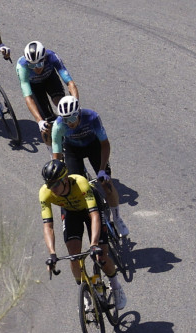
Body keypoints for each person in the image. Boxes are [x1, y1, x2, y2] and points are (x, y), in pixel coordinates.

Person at [40, 159, 127, 311]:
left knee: (101, 256)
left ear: (65, 179)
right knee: (74, 256)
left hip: (90, 209)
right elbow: (48, 226)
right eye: (49, 185)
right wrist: (52, 253)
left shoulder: (80, 183)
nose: (51, 189)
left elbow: (94, 216)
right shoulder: (44, 193)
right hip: (70, 213)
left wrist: (93, 244)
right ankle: (85, 293)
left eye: (55, 184)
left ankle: (116, 286)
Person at [51, 96, 129, 236]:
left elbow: (105, 144)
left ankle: (117, 218)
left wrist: (102, 169)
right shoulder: (58, 126)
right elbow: (56, 156)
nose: (69, 123)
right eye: (66, 119)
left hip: (93, 146)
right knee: (76, 187)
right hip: (72, 151)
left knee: (106, 183)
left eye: (72, 118)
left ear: (78, 113)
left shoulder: (91, 117)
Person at [17, 41, 79, 144]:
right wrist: (39, 121)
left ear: (44, 58)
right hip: (34, 86)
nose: (37, 68)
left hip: (50, 79)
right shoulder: (22, 66)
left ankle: (68, 128)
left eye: (39, 64)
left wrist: (75, 104)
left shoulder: (51, 56)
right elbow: (28, 97)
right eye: (32, 66)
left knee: (61, 104)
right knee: (46, 124)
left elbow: (70, 83)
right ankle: (52, 154)